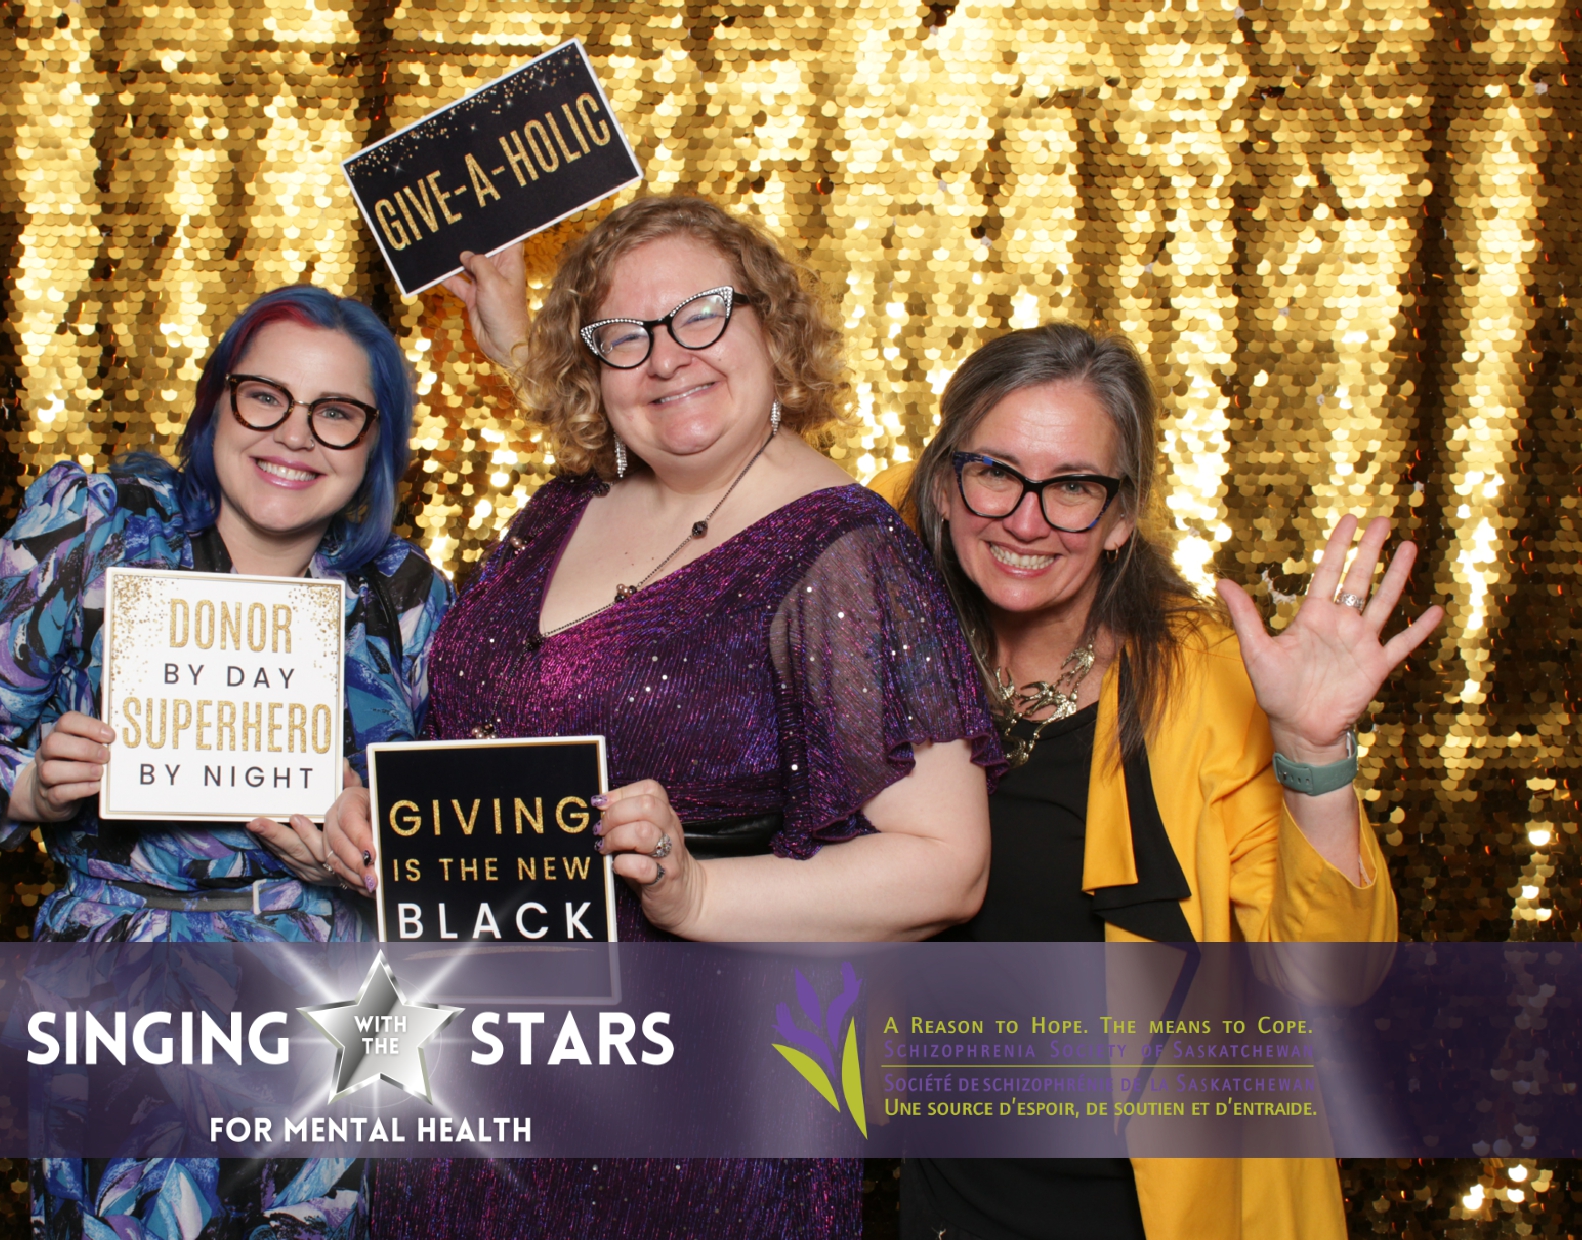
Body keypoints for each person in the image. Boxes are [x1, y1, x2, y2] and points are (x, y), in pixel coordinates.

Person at [317, 195, 1007, 1235]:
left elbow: (946, 867)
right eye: (624, 334)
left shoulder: (841, 552)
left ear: (772, 327)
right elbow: (519, 723)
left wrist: (696, 892)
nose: (666, 356)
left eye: (702, 315)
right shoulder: (569, 502)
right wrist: (388, 823)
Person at [0, 286, 450, 1240]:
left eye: (336, 413)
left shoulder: (404, 594)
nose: (294, 435)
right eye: (265, 396)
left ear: (375, 443)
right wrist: (28, 784)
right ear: (217, 399)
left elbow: (456, 839)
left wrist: (373, 845)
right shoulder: (100, 528)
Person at [867, 323, 1441, 1240]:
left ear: (1123, 516)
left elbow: (1331, 983)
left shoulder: (1203, 677)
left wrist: (1312, 750)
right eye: (997, 473)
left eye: (1074, 487)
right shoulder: (895, 642)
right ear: (945, 484)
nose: (1026, 520)